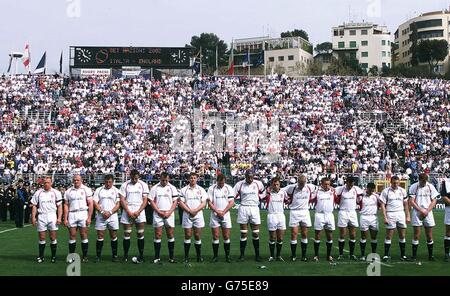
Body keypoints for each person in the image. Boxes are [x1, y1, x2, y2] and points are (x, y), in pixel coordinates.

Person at [282, 175, 316, 262]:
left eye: (303, 183)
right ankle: (293, 255)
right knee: (294, 234)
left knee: (304, 234)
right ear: (298, 182)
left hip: (305, 212)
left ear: (305, 182)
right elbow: (281, 191)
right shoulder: (291, 187)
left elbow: (318, 188)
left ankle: (304, 256)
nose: (301, 185)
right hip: (294, 212)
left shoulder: (310, 187)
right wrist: (287, 199)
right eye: (300, 183)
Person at [233, 170, 265, 262]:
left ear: (254, 176)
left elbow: (264, 192)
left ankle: (257, 255)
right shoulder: (239, 184)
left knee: (255, 233)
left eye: (252, 177)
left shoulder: (258, 183)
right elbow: (232, 195)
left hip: (254, 208)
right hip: (243, 208)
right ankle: (242, 255)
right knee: (243, 233)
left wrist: (259, 198)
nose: (250, 179)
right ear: (245, 176)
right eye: (248, 177)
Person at [119, 169, 149, 264]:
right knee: (127, 233)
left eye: (136, 178)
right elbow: (122, 199)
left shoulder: (143, 185)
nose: (134, 180)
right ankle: (125, 256)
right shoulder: (125, 185)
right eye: (133, 178)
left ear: (138, 177)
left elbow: (145, 200)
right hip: (128, 210)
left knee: (140, 233)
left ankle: (141, 255)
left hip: (139, 210)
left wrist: (138, 211)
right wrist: (128, 211)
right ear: (130, 176)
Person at [30, 177, 63, 263]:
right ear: (43, 183)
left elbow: (59, 206)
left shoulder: (56, 193)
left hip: (52, 215)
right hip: (41, 216)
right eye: (45, 183)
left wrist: (59, 217)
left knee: (52, 237)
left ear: (51, 183)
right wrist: (33, 217)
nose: (46, 184)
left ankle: (53, 256)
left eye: (48, 182)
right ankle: (41, 256)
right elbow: (34, 206)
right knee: (42, 237)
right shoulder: (38, 193)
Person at [148, 172, 179, 264]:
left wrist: (169, 212)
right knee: (158, 234)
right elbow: (151, 201)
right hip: (158, 214)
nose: (164, 182)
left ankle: (171, 257)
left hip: (169, 214)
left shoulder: (172, 188)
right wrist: (159, 211)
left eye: (166, 180)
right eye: (162, 180)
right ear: (160, 179)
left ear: (168, 179)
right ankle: (157, 257)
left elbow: (175, 202)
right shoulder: (155, 188)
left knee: (170, 234)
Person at [408, 173, 440, 261]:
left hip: (428, 212)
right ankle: (414, 256)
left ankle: (431, 256)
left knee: (429, 235)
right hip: (417, 212)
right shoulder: (414, 186)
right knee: (416, 235)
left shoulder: (430, 186)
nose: (424, 183)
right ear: (419, 180)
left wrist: (427, 211)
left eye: (425, 181)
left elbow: (434, 200)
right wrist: (421, 210)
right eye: (422, 181)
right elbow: (411, 201)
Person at [179, 172, 208, 264]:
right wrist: (189, 211)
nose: (192, 179)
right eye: (191, 178)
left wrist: (195, 210)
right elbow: (181, 203)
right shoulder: (183, 190)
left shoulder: (201, 190)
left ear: (197, 179)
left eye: (194, 178)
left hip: (198, 215)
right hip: (187, 215)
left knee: (197, 235)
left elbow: (204, 203)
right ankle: (186, 257)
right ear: (188, 179)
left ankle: (198, 256)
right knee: (187, 235)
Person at [379, 176, 410, 261]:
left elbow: (406, 204)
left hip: (401, 213)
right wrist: (385, 217)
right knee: (389, 236)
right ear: (390, 182)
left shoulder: (402, 191)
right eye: (394, 183)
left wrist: (408, 215)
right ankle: (386, 255)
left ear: (399, 182)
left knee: (402, 235)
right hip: (390, 214)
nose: (395, 184)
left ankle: (403, 255)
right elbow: (382, 205)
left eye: (397, 183)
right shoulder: (386, 191)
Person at [64, 175, 94, 263]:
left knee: (83, 235)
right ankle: (71, 256)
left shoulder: (86, 189)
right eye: (74, 180)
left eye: (77, 180)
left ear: (81, 180)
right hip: (72, 214)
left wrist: (89, 217)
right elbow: (66, 205)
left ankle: (85, 256)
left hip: (83, 213)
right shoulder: (68, 191)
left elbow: (90, 204)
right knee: (72, 235)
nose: (76, 181)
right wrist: (65, 218)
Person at [93, 174, 121, 262]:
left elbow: (118, 204)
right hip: (101, 216)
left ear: (113, 182)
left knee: (113, 236)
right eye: (106, 182)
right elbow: (95, 203)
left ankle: (115, 256)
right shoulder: (99, 190)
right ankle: (98, 256)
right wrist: (102, 212)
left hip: (112, 216)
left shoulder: (116, 190)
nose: (108, 184)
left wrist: (110, 212)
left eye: (110, 182)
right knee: (100, 236)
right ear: (104, 181)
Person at [207, 174, 235, 263]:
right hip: (215, 215)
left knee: (226, 236)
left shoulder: (229, 188)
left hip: (225, 215)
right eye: (220, 183)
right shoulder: (211, 188)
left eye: (223, 183)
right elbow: (209, 202)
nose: (221, 184)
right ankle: (215, 256)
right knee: (215, 236)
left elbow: (231, 202)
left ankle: (227, 256)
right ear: (217, 181)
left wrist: (223, 212)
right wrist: (217, 211)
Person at [335, 176, 363, 260]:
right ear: (346, 182)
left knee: (353, 234)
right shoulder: (340, 189)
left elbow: (360, 198)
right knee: (342, 234)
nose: (350, 186)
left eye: (352, 184)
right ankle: (340, 254)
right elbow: (333, 195)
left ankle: (351, 254)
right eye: (349, 183)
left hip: (352, 212)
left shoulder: (356, 189)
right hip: (343, 212)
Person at [310, 177, 336, 262]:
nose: (327, 186)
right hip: (319, 215)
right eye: (325, 184)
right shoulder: (317, 192)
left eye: (329, 184)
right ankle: (316, 255)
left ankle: (329, 255)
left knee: (329, 236)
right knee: (317, 235)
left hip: (329, 215)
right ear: (321, 184)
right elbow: (310, 199)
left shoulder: (333, 191)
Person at [264, 177, 288, 262]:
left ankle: (278, 255)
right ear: (271, 184)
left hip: (281, 216)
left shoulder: (283, 192)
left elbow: (287, 200)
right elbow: (261, 197)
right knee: (272, 237)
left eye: (277, 184)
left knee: (280, 238)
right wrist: (267, 192)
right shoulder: (268, 192)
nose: (276, 186)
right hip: (272, 216)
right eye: (274, 184)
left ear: (279, 184)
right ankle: (271, 256)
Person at [359, 182, 379, 260]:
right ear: (367, 188)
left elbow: (381, 204)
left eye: (372, 190)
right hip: (364, 217)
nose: (371, 191)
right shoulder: (361, 196)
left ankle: (373, 255)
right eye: (370, 190)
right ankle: (362, 255)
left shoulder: (376, 196)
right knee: (363, 236)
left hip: (374, 217)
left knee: (374, 237)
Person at [442, 177, 450, 262]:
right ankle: (447, 254)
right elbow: (444, 196)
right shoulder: (446, 182)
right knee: (448, 232)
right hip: (449, 208)